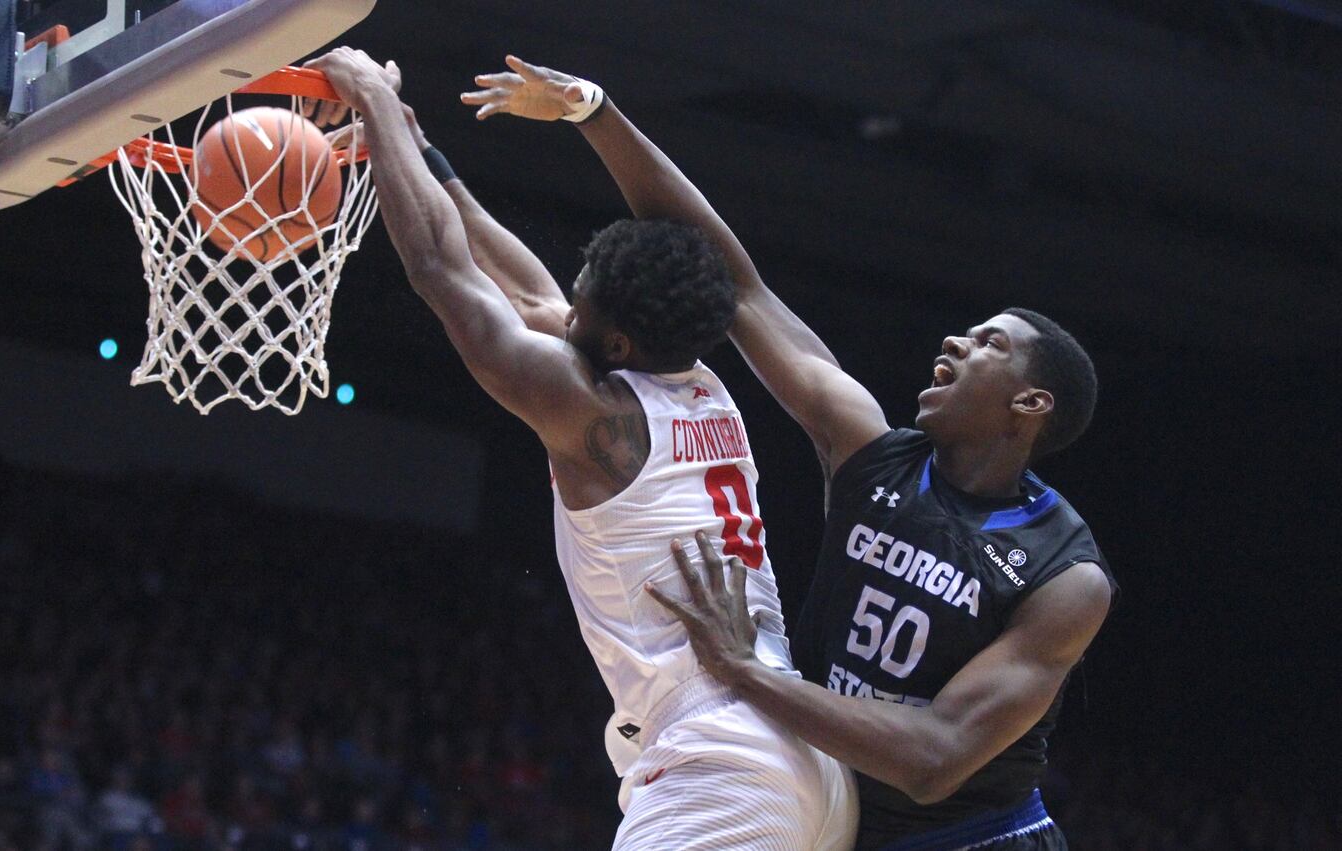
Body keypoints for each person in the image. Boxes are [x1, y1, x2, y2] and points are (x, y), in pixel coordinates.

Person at [457, 56, 1117, 851]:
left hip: (970, 839)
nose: (954, 340)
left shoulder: (1065, 574)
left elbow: (935, 758)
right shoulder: (870, 450)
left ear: (1031, 404)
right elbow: (734, 285)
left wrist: (749, 675)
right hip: (833, 811)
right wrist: (593, 112)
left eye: (988, 345)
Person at [303, 47, 855, 850]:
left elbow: (438, 269)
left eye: (584, 303)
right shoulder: (697, 380)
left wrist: (371, 96)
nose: (568, 309)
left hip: (722, 760)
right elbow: (531, 295)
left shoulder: (597, 420)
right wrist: (418, 148)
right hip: (798, 747)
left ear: (620, 340)